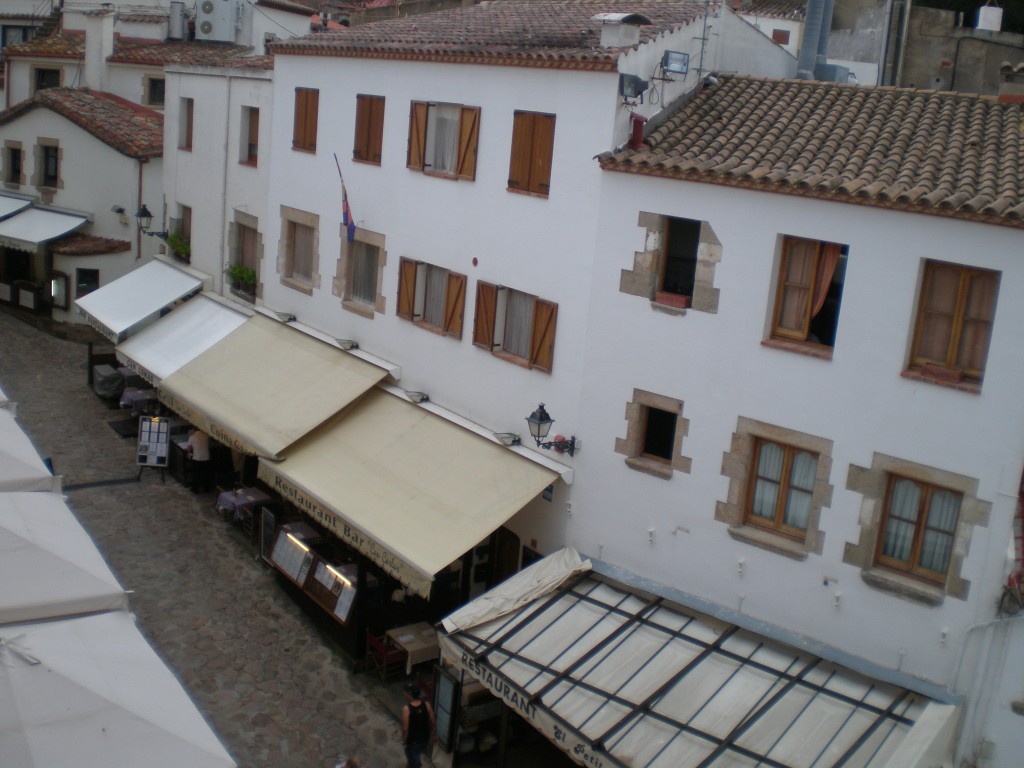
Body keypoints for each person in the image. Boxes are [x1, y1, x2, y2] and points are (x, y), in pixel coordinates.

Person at [401, 683, 435, 768]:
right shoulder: (427, 705)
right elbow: (433, 722)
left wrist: (403, 740)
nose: (404, 694)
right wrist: (435, 734)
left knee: (414, 758)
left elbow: (405, 729)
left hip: (412, 741)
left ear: (410, 695)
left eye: (405, 692)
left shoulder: (407, 709)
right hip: (424, 738)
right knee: (412, 756)